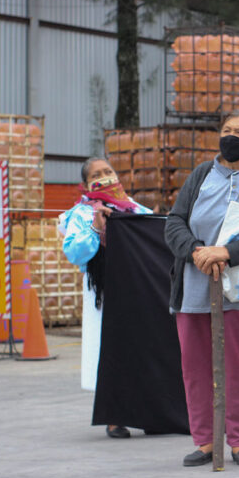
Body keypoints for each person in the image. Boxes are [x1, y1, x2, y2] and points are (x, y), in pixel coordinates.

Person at [164, 109, 239, 467]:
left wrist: (226, 253)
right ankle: (204, 440)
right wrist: (198, 252)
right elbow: (175, 222)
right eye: (226, 130)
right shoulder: (202, 174)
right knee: (196, 367)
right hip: (194, 284)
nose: (230, 135)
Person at [60, 157, 152, 438]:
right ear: (86, 185)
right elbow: (75, 253)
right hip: (104, 291)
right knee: (110, 351)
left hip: (139, 289)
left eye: (108, 171)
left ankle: (153, 412)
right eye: (96, 175)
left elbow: (155, 236)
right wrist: (97, 228)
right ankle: (115, 416)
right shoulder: (80, 214)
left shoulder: (136, 209)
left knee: (145, 349)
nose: (105, 177)